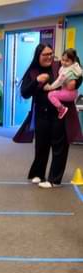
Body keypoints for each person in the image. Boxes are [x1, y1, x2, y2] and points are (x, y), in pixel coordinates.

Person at [21, 43, 82, 188]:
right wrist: (36, 81)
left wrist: (76, 82)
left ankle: (54, 180)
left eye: (51, 54)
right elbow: (24, 93)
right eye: (45, 54)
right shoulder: (33, 71)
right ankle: (38, 174)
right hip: (42, 113)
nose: (49, 57)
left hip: (60, 114)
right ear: (38, 56)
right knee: (41, 145)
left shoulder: (60, 65)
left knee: (59, 146)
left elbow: (77, 68)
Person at [44, 48, 82, 119]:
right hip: (71, 93)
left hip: (69, 93)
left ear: (73, 61)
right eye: (63, 60)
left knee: (50, 95)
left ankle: (62, 108)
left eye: (67, 61)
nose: (64, 62)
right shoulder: (73, 67)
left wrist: (50, 87)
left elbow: (59, 81)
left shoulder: (67, 71)